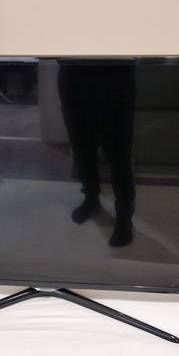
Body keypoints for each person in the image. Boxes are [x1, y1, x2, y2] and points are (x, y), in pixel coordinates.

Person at [58, 60, 136, 246]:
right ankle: (91, 198)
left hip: (116, 73)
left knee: (118, 152)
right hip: (72, 71)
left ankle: (124, 215)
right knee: (81, 146)